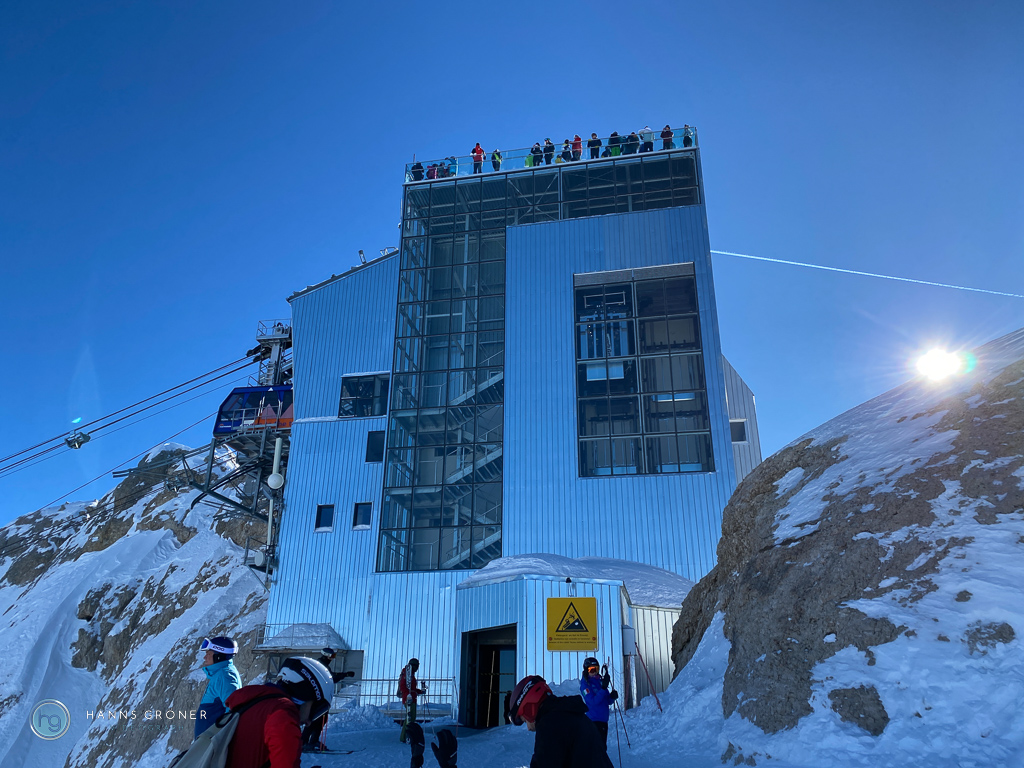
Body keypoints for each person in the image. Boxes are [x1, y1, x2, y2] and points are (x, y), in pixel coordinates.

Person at [224, 656, 334, 768]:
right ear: (305, 695)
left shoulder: (254, 703)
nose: (309, 722)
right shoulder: (282, 713)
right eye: (316, 710)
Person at [508, 675, 614, 768]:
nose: (528, 727)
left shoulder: (550, 726)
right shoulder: (572, 715)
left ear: (529, 708)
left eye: (524, 719)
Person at [195, 636, 242, 739]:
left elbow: (232, 711)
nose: (205, 657)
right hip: (207, 742)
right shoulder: (220, 674)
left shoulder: (225, 677)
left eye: (208, 654)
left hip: (211, 743)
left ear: (218, 656)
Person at [579, 657, 618, 751]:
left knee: (602, 748)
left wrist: (612, 697)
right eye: (591, 670)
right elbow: (592, 702)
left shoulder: (599, 682)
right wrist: (603, 689)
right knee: (596, 749)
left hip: (603, 721)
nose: (594, 672)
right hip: (594, 721)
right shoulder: (585, 685)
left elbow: (607, 701)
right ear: (586, 670)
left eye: (596, 669)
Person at [398, 657, 426, 743]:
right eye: (416, 666)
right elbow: (402, 686)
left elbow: (412, 688)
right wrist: (408, 694)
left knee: (411, 718)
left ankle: (406, 736)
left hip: (412, 698)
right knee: (410, 718)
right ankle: (405, 736)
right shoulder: (406, 674)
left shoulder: (411, 674)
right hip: (408, 699)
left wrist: (420, 691)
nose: (417, 668)